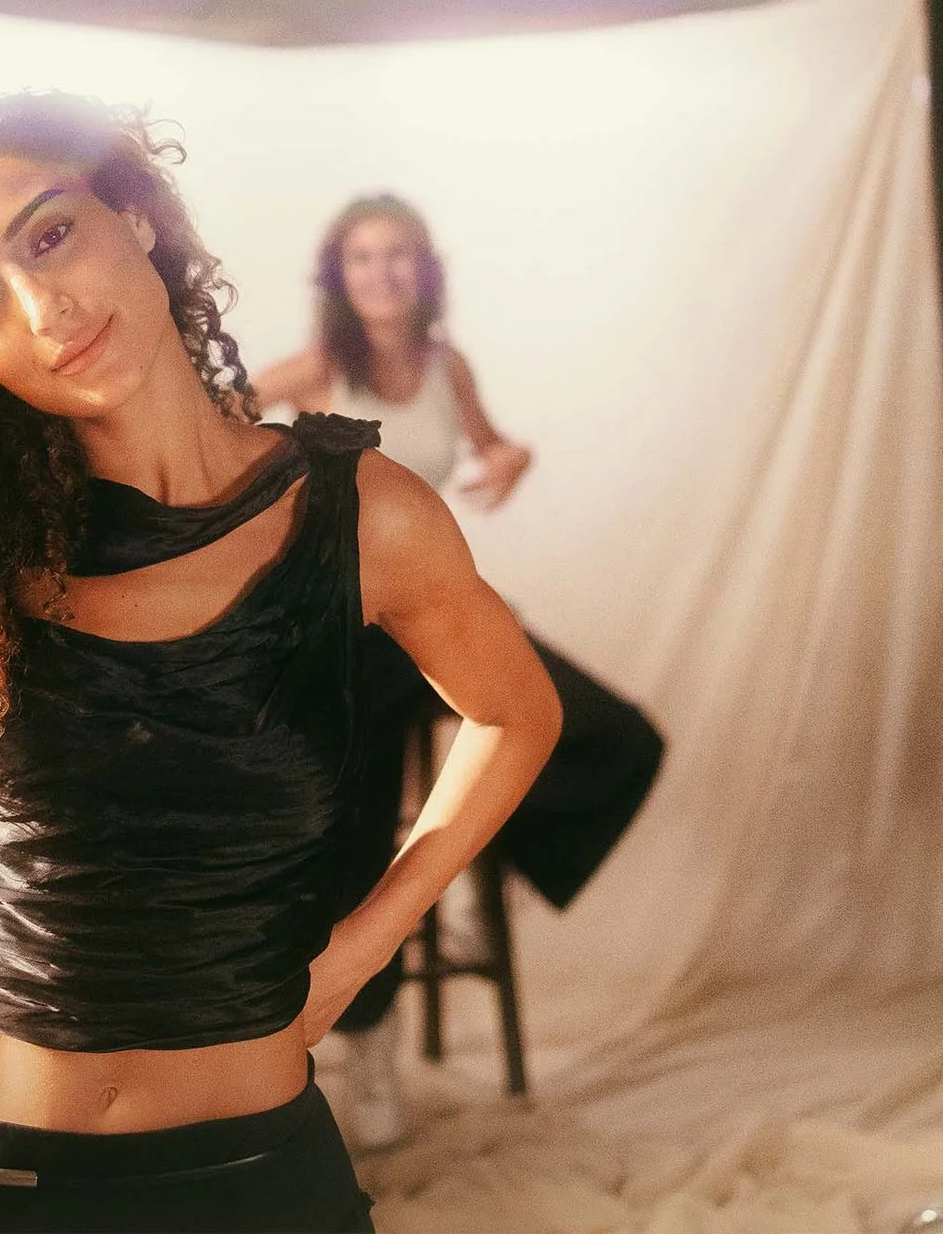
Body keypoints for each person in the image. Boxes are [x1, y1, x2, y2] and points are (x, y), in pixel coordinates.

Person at [0, 94, 563, 1233]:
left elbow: (515, 713)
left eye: (51, 235)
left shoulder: (364, 519)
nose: (45, 309)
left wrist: (356, 954)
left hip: (247, 1177)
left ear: (134, 216)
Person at [253, 192, 665, 1151]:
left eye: (400, 254)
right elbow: (208, 433)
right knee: (358, 830)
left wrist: (512, 456)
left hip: (431, 612)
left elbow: (488, 445)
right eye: (363, 257)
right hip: (341, 631)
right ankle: (370, 1046)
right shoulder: (313, 370)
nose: (383, 273)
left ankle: (477, 866)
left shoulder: (448, 366)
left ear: (425, 269)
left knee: (614, 739)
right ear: (339, 277)